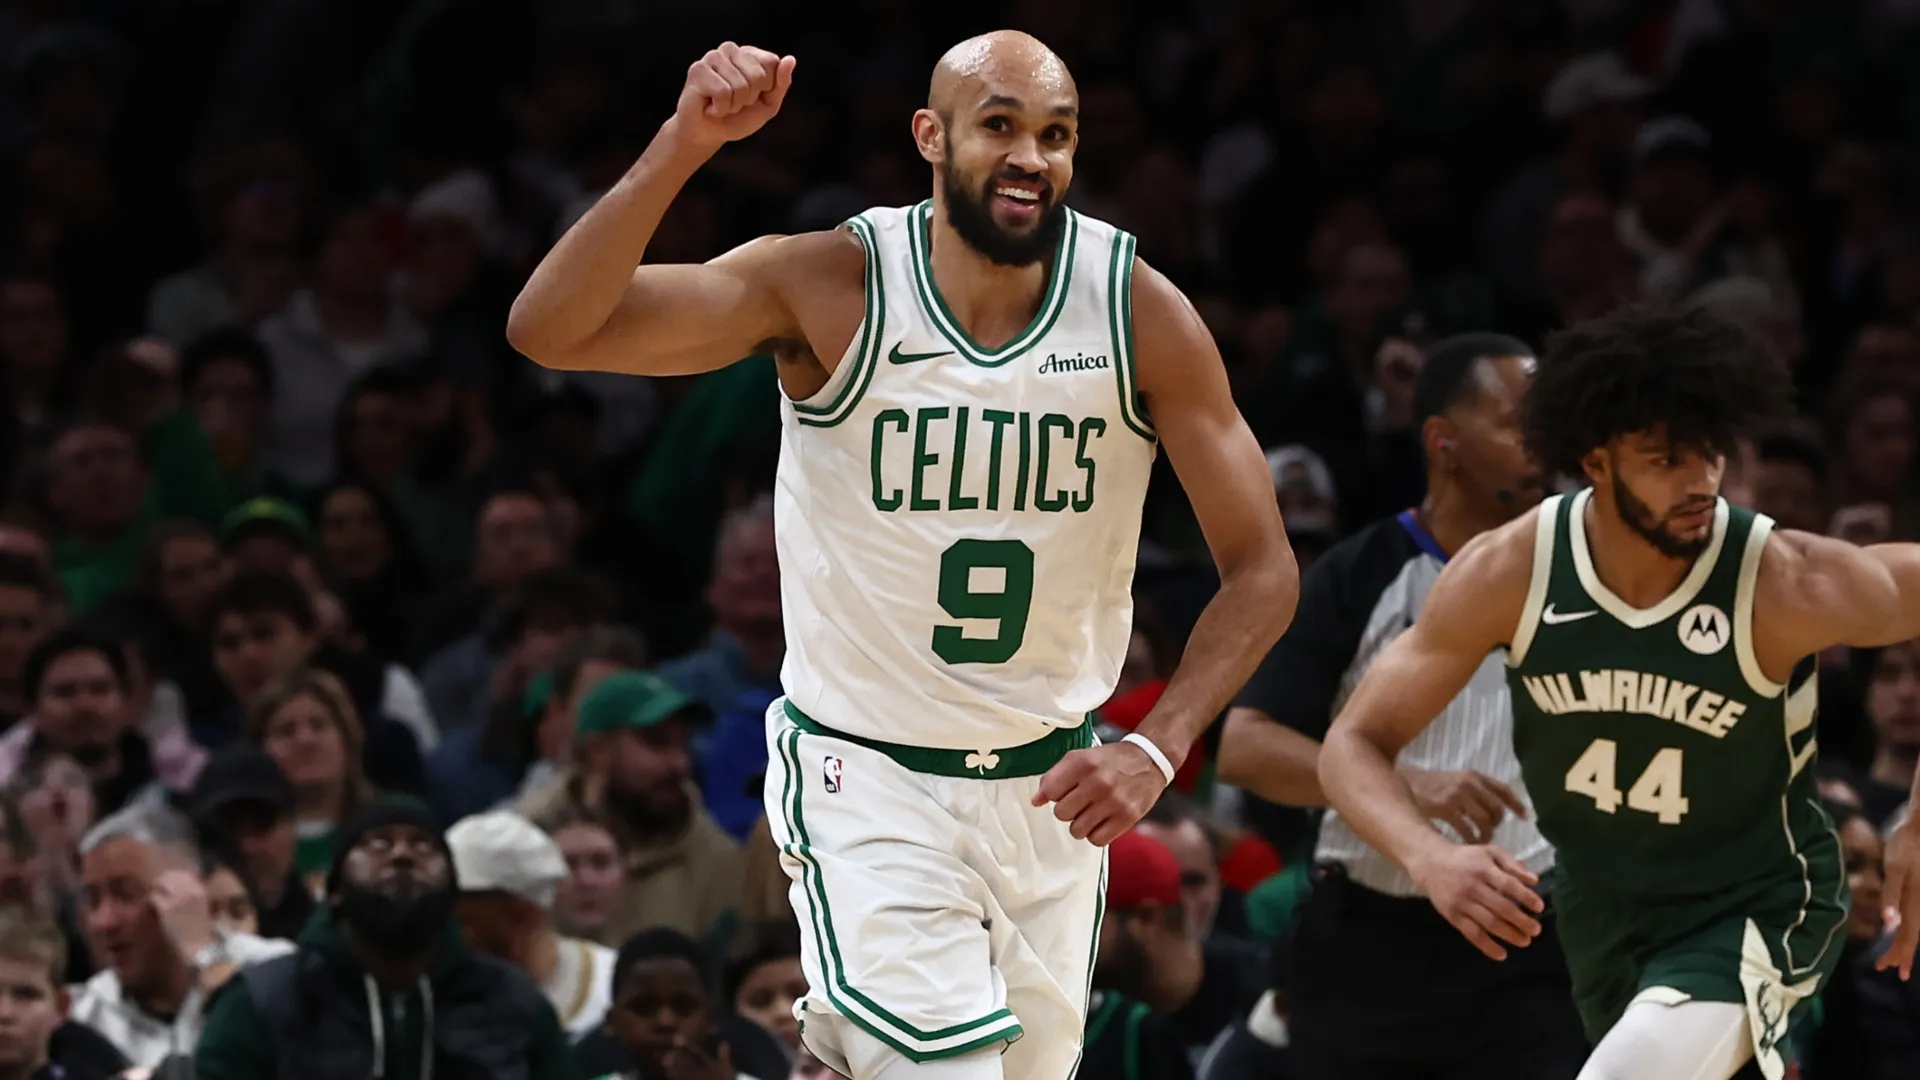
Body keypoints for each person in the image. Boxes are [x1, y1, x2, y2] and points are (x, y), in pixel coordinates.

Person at [507, 32, 1296, 1080]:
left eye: (1055, 135)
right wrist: (684, 144)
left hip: (1050, 791)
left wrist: (1156, 747)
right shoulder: (830, 283)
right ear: (931, 135)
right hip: (870, 780)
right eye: (1000, 125)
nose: (1030, 156)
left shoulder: (1136, 309)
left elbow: (1263, 568)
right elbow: (551, 328)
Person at [1317, 303, 1920, 1080]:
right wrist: (1429, 858)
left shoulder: (1781, 580)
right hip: (1601, 919)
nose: (1701, 482)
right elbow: (1352, 743)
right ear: (1596, 461)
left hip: (1755, 909)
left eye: (1710, 455)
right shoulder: (1513, 571)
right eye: (1666, 461)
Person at [1219, 333, 1587, 1079]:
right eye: (1520, 422)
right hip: (1370, 944)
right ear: (1443, 443)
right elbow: (1245, 748)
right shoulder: (1360, 575)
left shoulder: (1588, 571)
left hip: (1532, 937)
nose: (1543, 442)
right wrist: (1401, 783)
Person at [193, 798, 576, 1079]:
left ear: (452, 891)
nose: (402, 855)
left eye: (423, 845)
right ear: (334, 890)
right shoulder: (263, 1002)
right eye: (378, 844)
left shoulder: (513, 1002)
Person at [67, 821, 293, 1067]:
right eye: (92, 900)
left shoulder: (272, 966)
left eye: (126, 893)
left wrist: (205, 955)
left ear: (187, 893)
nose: (104, 921)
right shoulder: (83, 1017)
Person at [444, 809, 617, 1040]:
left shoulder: (611, 985)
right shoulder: (436, 996)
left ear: (522, 913)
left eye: (465, 919)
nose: (450, 930)